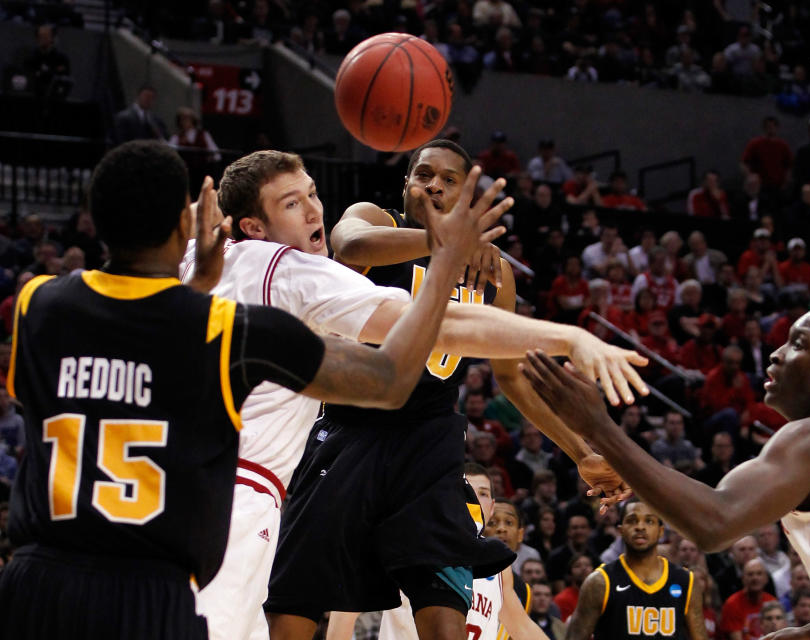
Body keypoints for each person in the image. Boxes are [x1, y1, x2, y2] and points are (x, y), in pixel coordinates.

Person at [0, 139, 491, 639]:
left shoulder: (46, 302)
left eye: (313, 195)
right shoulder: (282, 276)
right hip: (234, 496)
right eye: (293, 202)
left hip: (66, 551)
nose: (314, 209)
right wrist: (556, 332)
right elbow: (393, 361)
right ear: (251, 226)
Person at [185, 148, 638, 640]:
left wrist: (580, 451)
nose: (435, 185)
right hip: (347, 431)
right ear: (404, 185)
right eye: (423, 174)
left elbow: (511, 375)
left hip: (427, 440)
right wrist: (447, 245)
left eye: (449, 178)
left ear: (468, 192)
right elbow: (355, 247)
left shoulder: (205, 260)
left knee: (442, 608)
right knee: (291, 606)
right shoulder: (350, 234)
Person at [520, 306, 810, 639]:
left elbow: (715, 523)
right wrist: (806, 635)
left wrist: (599, 428)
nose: (777, 353)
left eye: (799, 344)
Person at [377, 469, 548, 640]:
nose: (472, 498)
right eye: (466, 489)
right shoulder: (414, 541)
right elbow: (350, 610)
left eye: (483, 493)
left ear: (491, 507)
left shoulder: (500, 570)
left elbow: (522, 627)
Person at [564, 500, 707, 640]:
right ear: (620, 530)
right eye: (632, 520)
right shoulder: (600, 582)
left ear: (661, 531)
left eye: (649, 521)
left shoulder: (686, 581)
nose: (640, 527)